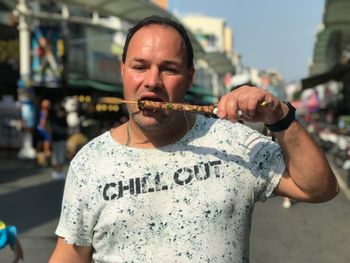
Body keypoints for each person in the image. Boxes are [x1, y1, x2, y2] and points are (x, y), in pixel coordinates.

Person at [49, 15, 339, 263]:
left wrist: (281, 116)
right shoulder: (90, 163)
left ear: (189, 77)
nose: (152, 80)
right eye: (140, 67)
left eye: (169, 69)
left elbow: (318, 188)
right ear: (122, 70)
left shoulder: (232, 142)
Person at [49, 101, 68, 180]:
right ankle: (56, 172)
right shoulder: (55, 120)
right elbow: (52, 129)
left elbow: (66, 129)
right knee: (56, 157)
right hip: (57, 140)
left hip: (62, 140)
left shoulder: (62, 119)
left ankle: (59, 171)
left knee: (60, 157)